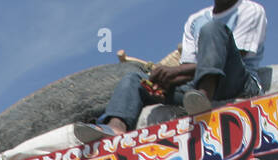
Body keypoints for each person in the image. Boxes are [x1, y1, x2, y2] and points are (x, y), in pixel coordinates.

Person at [96, 0, 267, 133]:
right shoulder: (195, 20)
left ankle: (203, 99)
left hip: (238, 83)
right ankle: (115, 128)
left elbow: (230, 59)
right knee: (134, 80)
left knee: (213, 29)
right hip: (195, 84)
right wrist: (167, 80)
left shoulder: (250, 10)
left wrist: (175, 72)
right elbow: (188, 66)